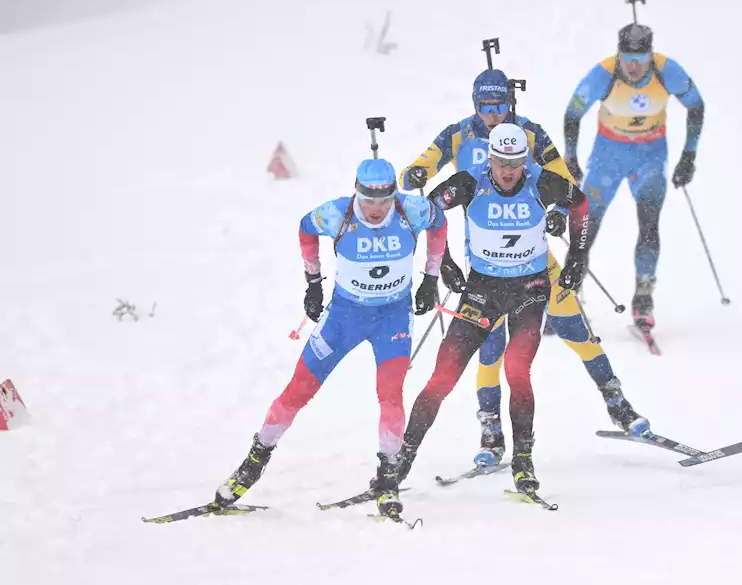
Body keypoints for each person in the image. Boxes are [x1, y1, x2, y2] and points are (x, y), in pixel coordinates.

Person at [400, 70, 650, 467]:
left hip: (536, 264)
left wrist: (554, 212)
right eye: (485, 107)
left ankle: (617, 403)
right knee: (490, 348)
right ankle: (491, 431)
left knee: (574, 329)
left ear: (510, 104)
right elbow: (419, 169)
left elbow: (564, 181)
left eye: (500, 106)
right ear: (474, 105)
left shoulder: (530, 134)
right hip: (484, 266)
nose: (493, 115)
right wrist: (415, 174)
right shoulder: (457, 135)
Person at [212, 157, 448, 517]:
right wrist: (313, 281)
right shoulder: (337, 214)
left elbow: (440, 223)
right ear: (357, 194)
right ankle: (254, 462)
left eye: (383, 202)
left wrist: (432, 277)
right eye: (368, 201)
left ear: (392, 196)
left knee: (390, 395)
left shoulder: (412, 210)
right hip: (343, 318)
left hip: (392, 318)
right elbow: (306, 229)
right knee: (298, 390)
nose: (375, 210)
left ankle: (388, 478)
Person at [394, 123, 591, 496]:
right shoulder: (471, 182)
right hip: (482, 290)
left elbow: (579, 203)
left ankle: (523, 462)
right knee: (443, 376)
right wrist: (442, 264)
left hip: (529, 290)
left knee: (517, 370)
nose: (507, 170)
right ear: (490, 158)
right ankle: (400, 462)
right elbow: (429, 209)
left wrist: (577, 256)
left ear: (524, 160)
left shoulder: (541, 181)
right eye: (500, 161)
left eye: (515, 162)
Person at [562, 20, 705, 334]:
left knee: (649, 222)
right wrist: (570, 159)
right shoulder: (604, 72)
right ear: (619, 54)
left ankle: (643, 298)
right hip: (608, 158)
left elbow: (696, 107)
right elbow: (573, 114)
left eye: (640, 61)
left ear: (651, 57)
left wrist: (688, 157)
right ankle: (567, 296)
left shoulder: (667, 70)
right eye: (628, 60)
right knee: (587, 224)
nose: (634, 67)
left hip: (650, 158)